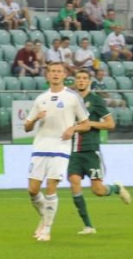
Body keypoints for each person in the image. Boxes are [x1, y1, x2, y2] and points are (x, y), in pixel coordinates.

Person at [25, 62, 91, 242]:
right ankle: (45, 217)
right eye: (52, 71)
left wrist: (73, 129)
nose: (55, 74)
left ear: (64, 75)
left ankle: (46, 230)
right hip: (40, 146)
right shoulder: (40, 99)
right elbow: (26, 126)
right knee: (32, 190)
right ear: (47, 75)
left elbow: (86, 124)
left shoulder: (73, 97)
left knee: (51, 186)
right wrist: (35, 120)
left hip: (61, 147)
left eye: (59, 72)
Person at [68, 69, 131, 234]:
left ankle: (116, 188)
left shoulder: (95, 100)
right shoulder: (69, 100)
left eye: (84, 78)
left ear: (89, 81)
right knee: (74, 183)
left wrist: (91, 124)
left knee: (98, 190)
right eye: (78, 78)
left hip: (91, 150)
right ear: (75, 81)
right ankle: (88, 226)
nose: (81, 81)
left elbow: (110, 124)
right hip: (74, 151)